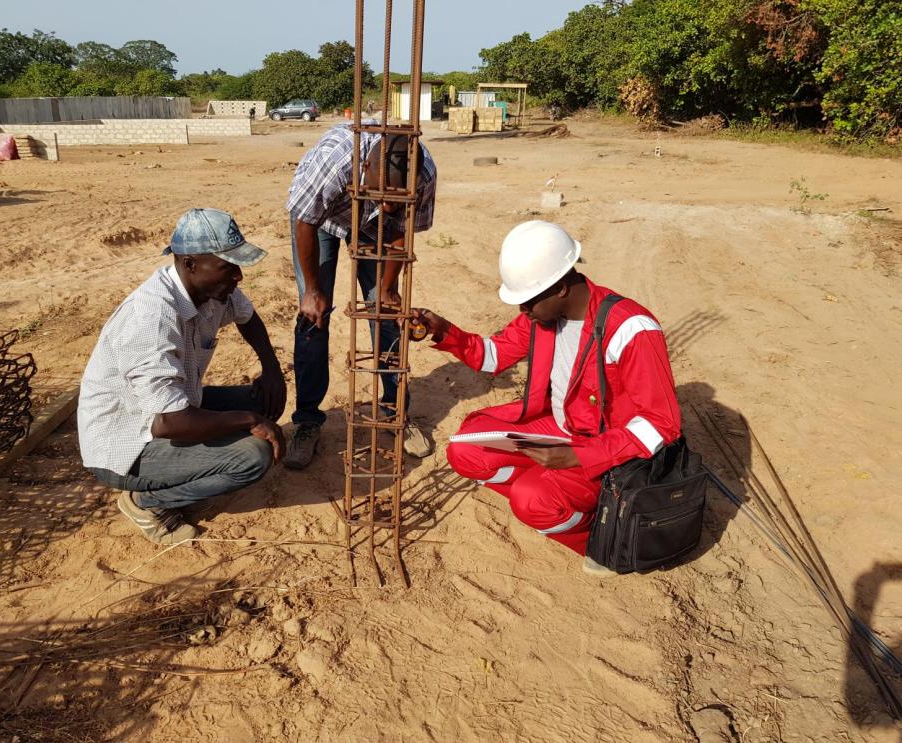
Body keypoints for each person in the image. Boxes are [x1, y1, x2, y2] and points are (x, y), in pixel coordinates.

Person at [413, 221, 681, 574]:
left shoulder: (631, 328)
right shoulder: (542, 318)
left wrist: (580, 456)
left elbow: (663, 424)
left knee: (531, 499)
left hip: (611, 452)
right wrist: (444, 330)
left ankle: (604, 538)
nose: (522, 310)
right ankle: (557, 500)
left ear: (560, 288)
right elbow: (492, 356)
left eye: (527, 300)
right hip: (561, 428)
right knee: (465, 449)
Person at [78, 208, 287, 545]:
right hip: (127, 444)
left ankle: (192, 471)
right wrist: (249, 420)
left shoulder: (214, 290)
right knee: (253, 456)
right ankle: (147, 503)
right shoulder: (151, 317)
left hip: (172, 410)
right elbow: (168, 424)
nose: (238, 277)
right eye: (228, 267)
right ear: (190, 264)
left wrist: (272, 369)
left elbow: (248, 317)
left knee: (266, 399)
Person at [283, 120, 438, 469]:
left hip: (375, 232)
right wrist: (312, 290)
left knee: (385, 315)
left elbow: (401, 229)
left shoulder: (423, 175)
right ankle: (307, 421)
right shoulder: (335, 161)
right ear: (365, 168)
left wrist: (386, 289)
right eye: (381, 198)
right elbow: (304, 221)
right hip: (322, 220)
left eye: (394, 202)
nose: (386, 206)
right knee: (313, 317)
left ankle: (395, 412)